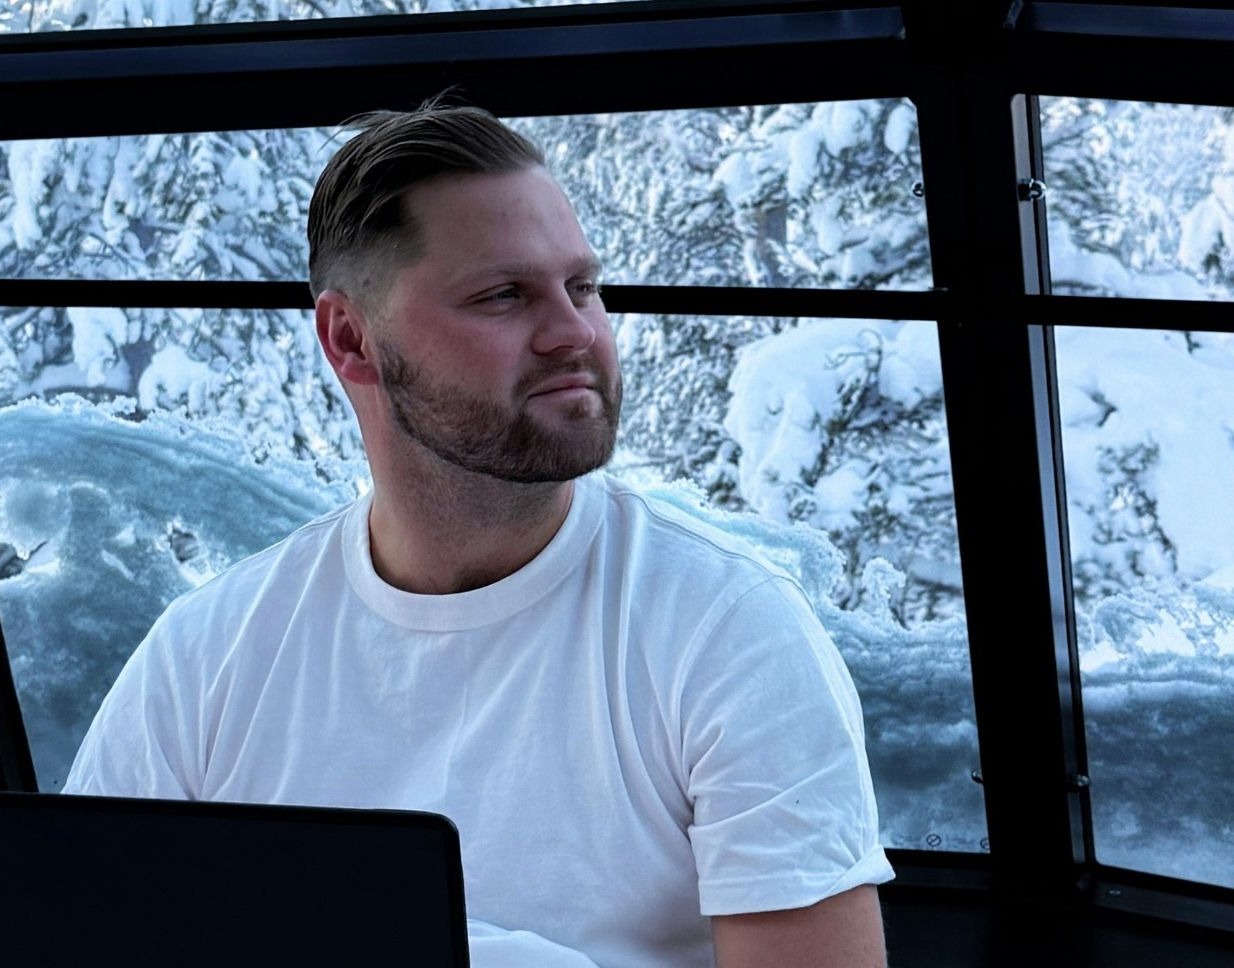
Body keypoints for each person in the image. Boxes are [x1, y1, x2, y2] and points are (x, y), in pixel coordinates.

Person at [64, 95, 893, 967]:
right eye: (504, 296)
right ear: (351, 339)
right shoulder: (205, 659)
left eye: (582, 287)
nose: (575, 333)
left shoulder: (728, 632)